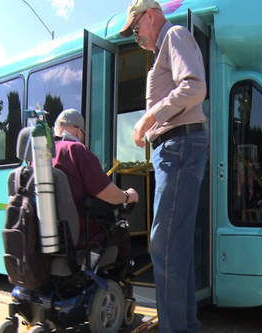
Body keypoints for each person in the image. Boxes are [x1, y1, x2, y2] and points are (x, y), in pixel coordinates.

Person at [120, 0, 208, 332]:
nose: (135, 36)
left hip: (179, 146)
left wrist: (150, 116)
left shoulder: (174, 35)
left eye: (136, 27)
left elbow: (194, 87)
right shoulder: (165, 46)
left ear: (151, 15)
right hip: (175, 148)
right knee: (175, 248)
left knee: (164, 245)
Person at [52, 108, 139, 281]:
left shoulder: (40, 157)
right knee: (121, 230)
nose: (82, 137)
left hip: (53, 236)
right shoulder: (76, 150)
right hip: (82, 236)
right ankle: (118, 284)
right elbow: (105, 192)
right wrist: (128, 196)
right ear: (77, 129)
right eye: (83, 133)